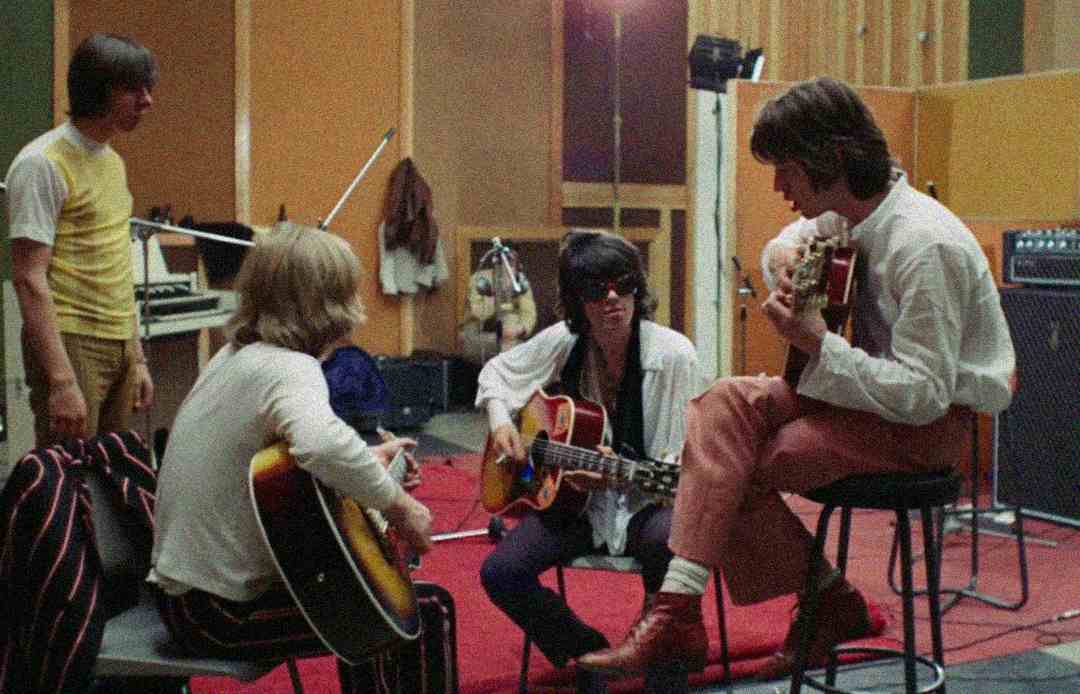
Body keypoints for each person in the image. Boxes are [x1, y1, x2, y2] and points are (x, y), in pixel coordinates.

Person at [578, 76, 1016, 680]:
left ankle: (820, 603)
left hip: (933, 425)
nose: (779, 186)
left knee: (747, 463)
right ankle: (682, 609)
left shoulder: (925, 244)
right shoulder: (852, 213)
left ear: (830, 159)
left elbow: (923, 395)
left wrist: (815, 340)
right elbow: (794, 239)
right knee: (720, 404)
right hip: (866, 401)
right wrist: (783, 258)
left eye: (785, 168)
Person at [148, 223, 434, 691]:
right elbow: (319, 446)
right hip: (218, 615)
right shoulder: (290, 368)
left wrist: (363, 460)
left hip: (184, 597)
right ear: (331, 302)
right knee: (409, 610)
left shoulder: (236, 357)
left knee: (367, 603)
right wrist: (399, 505)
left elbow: (294, 462)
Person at [477, 230, 700, 692]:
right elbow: (497, 372)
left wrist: (617, 478)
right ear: (577, 301)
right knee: (500, 573)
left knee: (669, 540)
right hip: (576, 504)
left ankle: (666, 676)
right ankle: (588, 653)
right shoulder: (564, 341)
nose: (613, 299)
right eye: (597, 290)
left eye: (625, 285)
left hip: (647, 500)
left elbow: (676, 461)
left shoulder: (673, 354)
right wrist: (502, 422)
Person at [5, 33, 157, 446]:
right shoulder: (41, 164)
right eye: (134, 90)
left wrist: (136, 356)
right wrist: (61, 381)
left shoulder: (113, 162)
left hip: (119, 342)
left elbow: (116, 265)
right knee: (68, 482)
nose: (148, 101)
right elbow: (28, 279)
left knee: (108, 480)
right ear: (99, 91)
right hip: (72, 340)